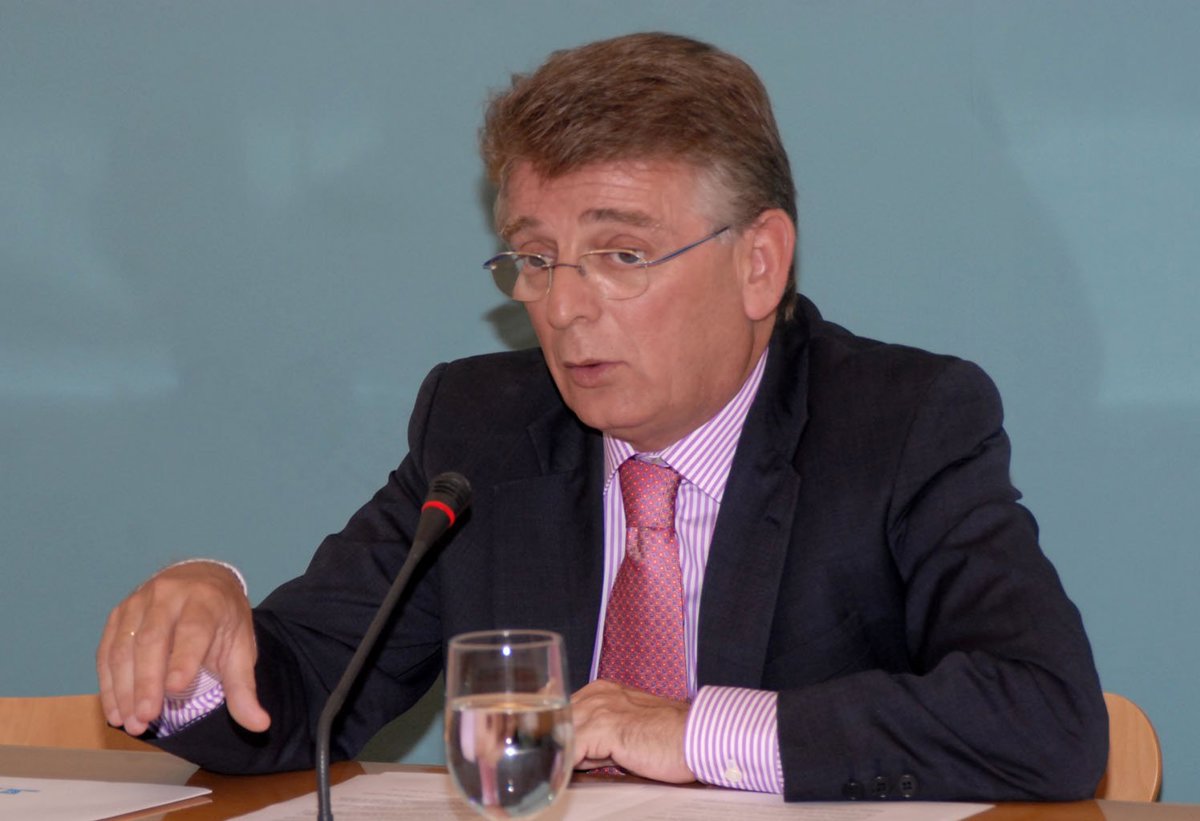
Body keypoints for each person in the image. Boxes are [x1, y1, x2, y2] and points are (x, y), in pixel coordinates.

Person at [96, 32, 1108, 801]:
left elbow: (1048, 718)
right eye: (535, 258)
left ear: (759, 264)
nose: (563, 307)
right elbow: (301, 695)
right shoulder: (481, 432)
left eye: (621, 254)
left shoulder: (900, 424)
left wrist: (693, 730)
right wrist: (200, 645)